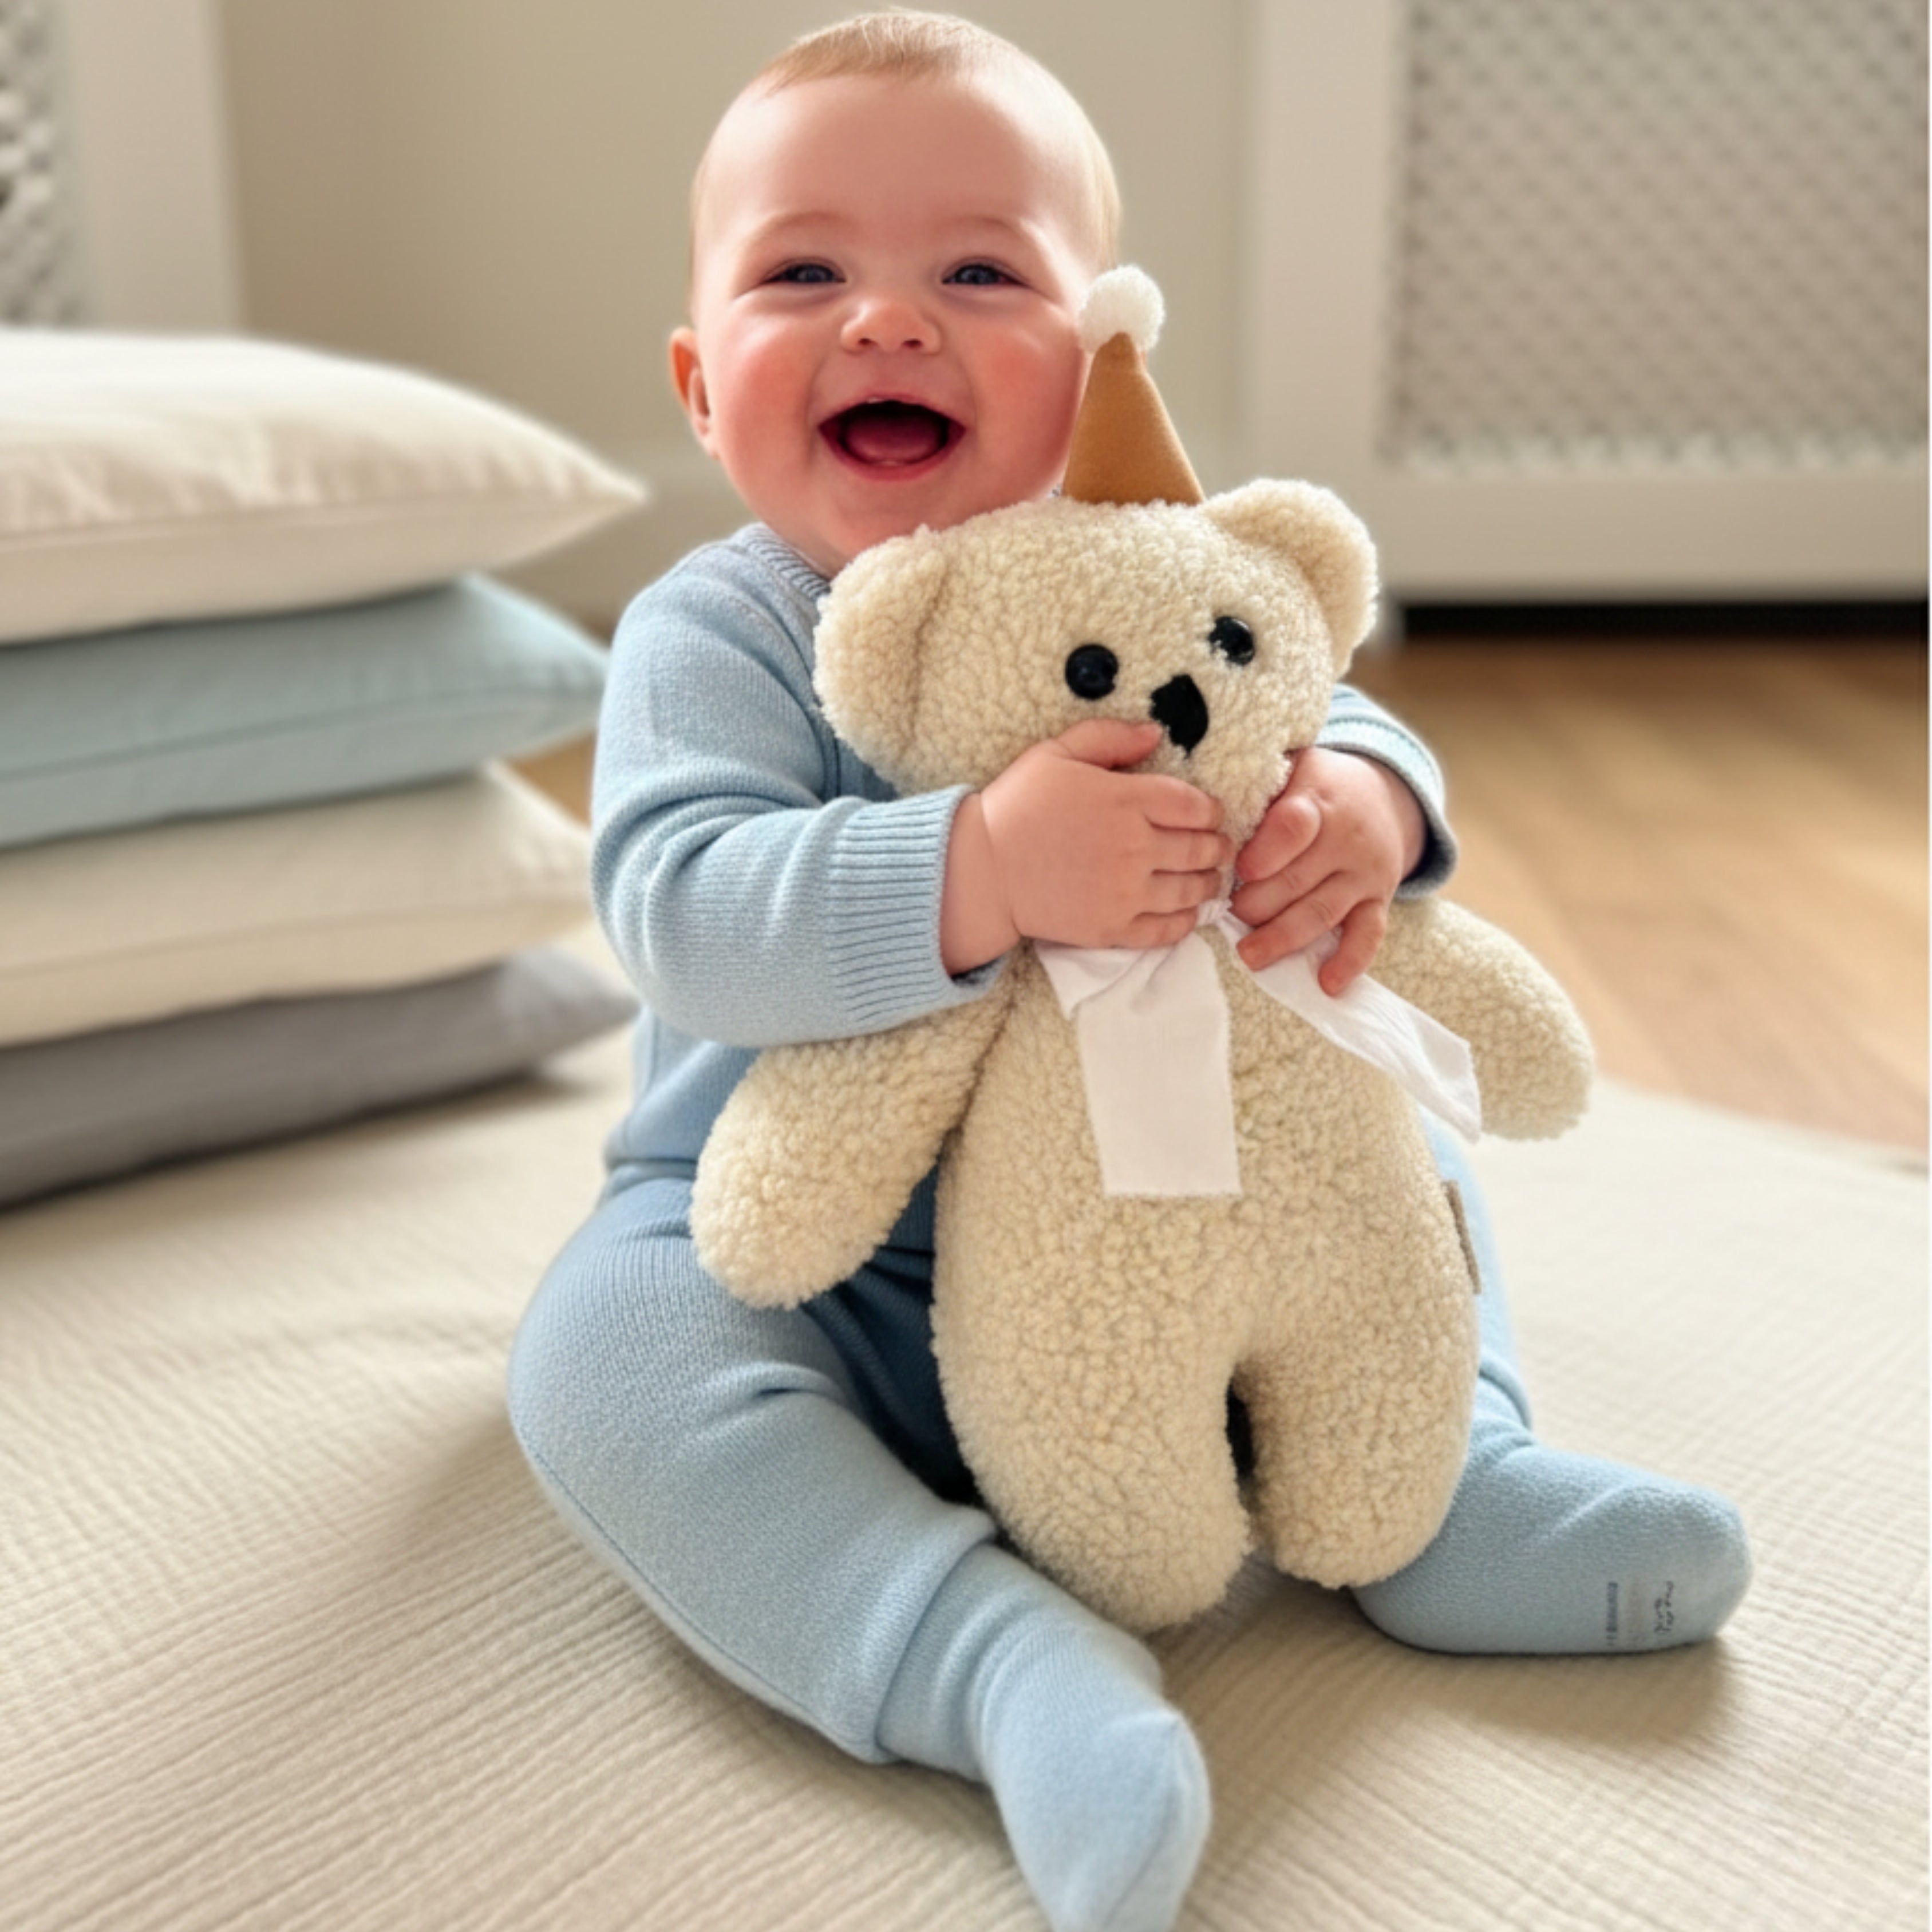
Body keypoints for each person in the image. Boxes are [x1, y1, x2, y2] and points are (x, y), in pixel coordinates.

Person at [508, 15, 1751, 1930]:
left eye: (980, 272)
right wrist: (977, 863)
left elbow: (1326, 708)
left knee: (1397, 1161)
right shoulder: (718, 631)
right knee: (602, 1354)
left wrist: (1363, 804)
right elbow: (676, 902)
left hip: (1186, 1232)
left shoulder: (1153, 570)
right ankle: (980, 1663)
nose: (889, 321)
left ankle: (1440, 1486)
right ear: (697, 382)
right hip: (815, 1261)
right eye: (803, 272)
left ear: (1099, 357)